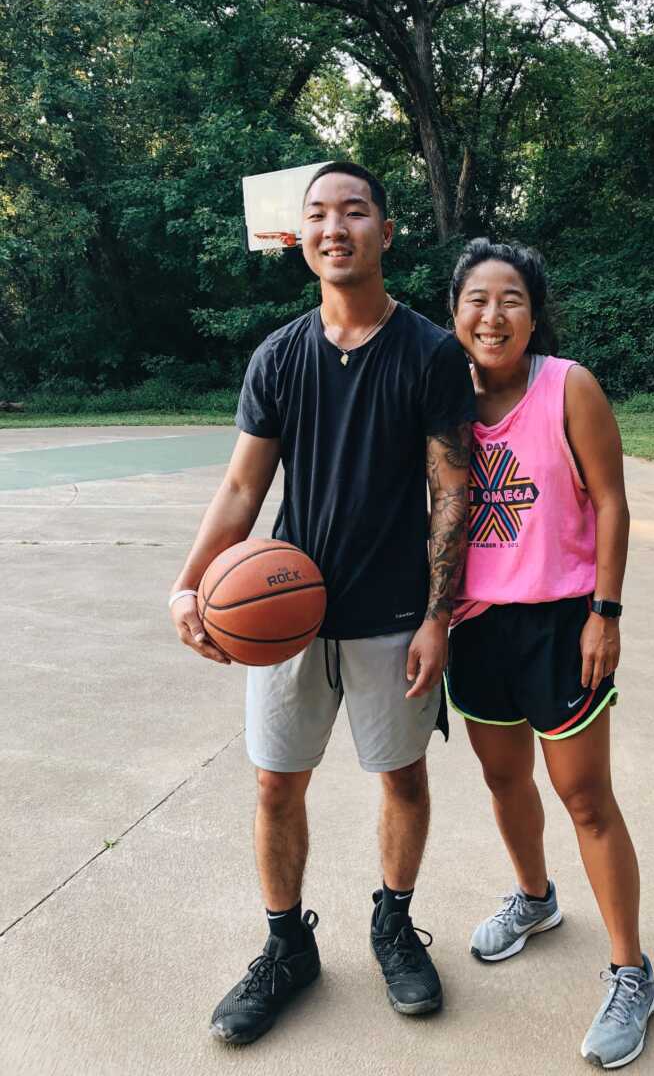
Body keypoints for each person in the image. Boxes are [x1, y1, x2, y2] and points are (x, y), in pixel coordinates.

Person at [168, 162, 474, 1043]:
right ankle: (286, 947)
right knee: (274, 785)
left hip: (390, 615)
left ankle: (393, 924)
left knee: (402, 778)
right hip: (288, 615)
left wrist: (436, 617)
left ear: (385, 229)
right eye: (318, 215)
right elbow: (239, 489)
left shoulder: (430, 351)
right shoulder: (279, 355)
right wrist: (192, 581)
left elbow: (452, 493)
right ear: (299, 238)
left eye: (354, 211)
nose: (335, 227)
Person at [446, 239, 654, 1070]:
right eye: (476, 300)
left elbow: (611, 501)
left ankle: (631, 970)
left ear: (534, 314)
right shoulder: (440, 396)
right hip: (477, 626)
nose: (492, 315)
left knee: (586, 798)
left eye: (510, 300)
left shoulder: (568, 386)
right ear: (454, 312)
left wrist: (605, 612)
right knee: (505, 780)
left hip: (562, 620)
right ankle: (535, 899)